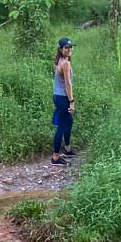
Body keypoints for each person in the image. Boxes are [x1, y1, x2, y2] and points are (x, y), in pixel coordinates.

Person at [51, 37, 76, 166]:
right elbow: (68, 85)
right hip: (63, 98)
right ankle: (55, 157)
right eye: (66, 47)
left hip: (58, 96)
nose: (70, 49)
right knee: (61, 126)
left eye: (71, 47)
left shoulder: (61, 60)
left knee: (69, 121)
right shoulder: (65, 63)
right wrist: (71, 101)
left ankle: (67, 149)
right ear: (61, 49)